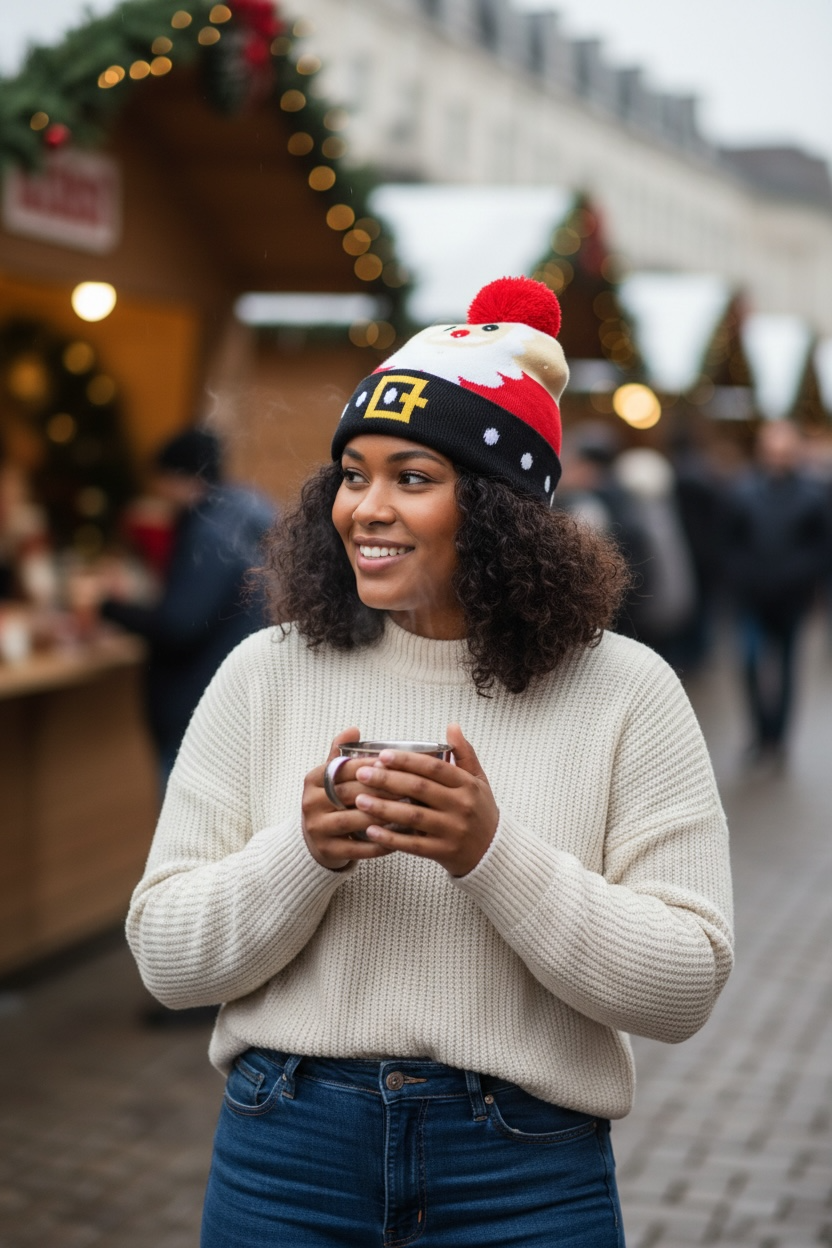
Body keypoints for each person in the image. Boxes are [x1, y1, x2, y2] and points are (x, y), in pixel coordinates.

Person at [126, 278, 733, 1248]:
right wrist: (305, 853)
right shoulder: (264, 672)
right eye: (351, 475)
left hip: (526, 1172)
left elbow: (681, 987)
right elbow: (165, 959)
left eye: (412, 477)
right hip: (287, 1157)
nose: (366, 507)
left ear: (498, 511)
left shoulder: (625, 690)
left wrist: (490, 853)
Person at [101, 427, 276, 784]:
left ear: (179, 478)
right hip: (233, 698)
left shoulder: (211, 533)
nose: (159, 494)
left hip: (197, 707)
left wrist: (109, 608)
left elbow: (178, 624)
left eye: (162, 481)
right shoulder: (245, 515)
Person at [721, 419, 832, 766]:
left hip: (791, 599)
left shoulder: (813, 495)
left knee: (786, 667)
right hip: (752, 598)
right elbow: (729, 543)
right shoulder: (743, 491)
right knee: (751, 663)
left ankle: (779, 739)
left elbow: (821, 547)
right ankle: (760, 733)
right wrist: (743, 577)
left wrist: (800, 577)